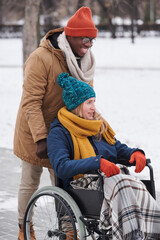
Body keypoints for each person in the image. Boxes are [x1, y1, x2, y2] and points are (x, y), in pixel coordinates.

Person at [13, 6, 98, 240]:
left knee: (63, 180)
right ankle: (24, 226)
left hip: (63, 131)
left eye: (92, 39)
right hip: (34, 129)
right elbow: (30, 102)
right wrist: (41, 138)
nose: (89, 44)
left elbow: (85, 98)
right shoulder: (41, 58)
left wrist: (96, 124)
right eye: (85, 38)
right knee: (30, 179)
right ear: (69, 36)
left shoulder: (85, 62)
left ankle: (69, 229)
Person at [47, 72, 160, 240]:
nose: (94, 107)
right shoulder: (60, 132)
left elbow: (116, 148)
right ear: (77, 105)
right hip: (81, 185)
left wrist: (134, 153)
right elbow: (62, 167)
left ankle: (153, 231)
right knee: (121, 183)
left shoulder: (96, 125)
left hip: (109, 179)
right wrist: (97, 163)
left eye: (94, 102)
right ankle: (130, 235)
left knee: (133, 183)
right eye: (89, 103)